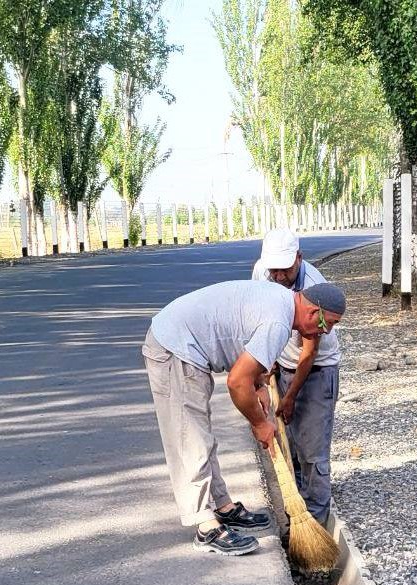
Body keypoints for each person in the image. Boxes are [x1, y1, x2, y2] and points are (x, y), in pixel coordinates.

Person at [142, 279, 346, 556]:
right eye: (328, 323)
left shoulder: (283, 304)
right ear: (313, 313)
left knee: (201, 437)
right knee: (190, 439)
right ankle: (204, 525)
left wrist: (259, 384)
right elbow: (237, 382)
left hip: (185, 344)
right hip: (175, 348)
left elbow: (243, 339)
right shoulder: (279, 323)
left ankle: (222, 506)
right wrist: (260, 423)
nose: (327, 331)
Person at [252, 229, 342, 527]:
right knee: (291, 442)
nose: (278, 276)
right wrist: (268, 369)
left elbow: (309, 351)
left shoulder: (314, 288)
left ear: (299, 259)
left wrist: (290, 397)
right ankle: (298, 505)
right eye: (274, 269)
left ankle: (316, 520)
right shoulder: (263, 273)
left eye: (285, 269)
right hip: (284, 366)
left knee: (313, 451)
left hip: (316, 371)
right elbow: (262, 321)